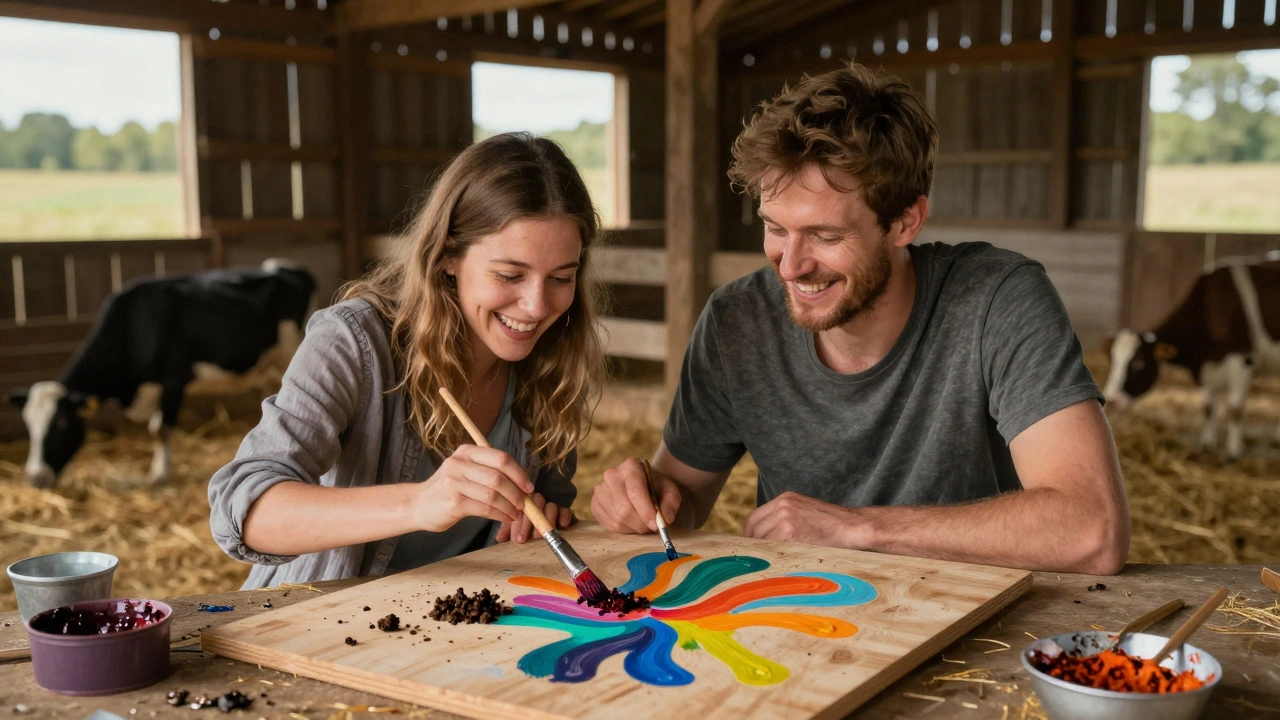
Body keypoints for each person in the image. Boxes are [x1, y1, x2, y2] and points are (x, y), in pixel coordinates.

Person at [591, 62, 1130, 574]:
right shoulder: (736, 321)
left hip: (972, 613)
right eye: (775, 228)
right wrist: (642, 501)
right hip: (805, 612)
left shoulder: (998, 299)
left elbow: (1091, 529)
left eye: (825, 235)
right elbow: (682, 503)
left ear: (905, 222)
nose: (791, 266)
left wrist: (857, 529)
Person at [209, 132, 607, 588]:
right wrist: (420, 503)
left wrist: (539, 519)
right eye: (509, 274)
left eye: (561, 278)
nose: (537, 306)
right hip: (315, 616)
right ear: (448, 255)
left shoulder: (554, 357)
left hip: (450, 620)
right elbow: (242, 511)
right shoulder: (354, 342)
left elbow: (549, 500)